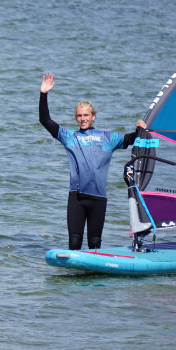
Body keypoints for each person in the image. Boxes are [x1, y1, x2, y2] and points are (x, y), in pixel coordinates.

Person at [39, 72, 146, 250]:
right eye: (79, 116)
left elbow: (130, 139)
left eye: (86, 115)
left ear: (93, 116)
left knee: (95, 243)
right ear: (76, 118)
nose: (83, 119)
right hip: (77, 198)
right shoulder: (69, 137)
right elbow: (45, 120)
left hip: (98, 199)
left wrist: (139, 129)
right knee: (74, 243)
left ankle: (94, 277)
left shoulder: (107, 138)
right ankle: (74, 276)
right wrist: (44, 94)